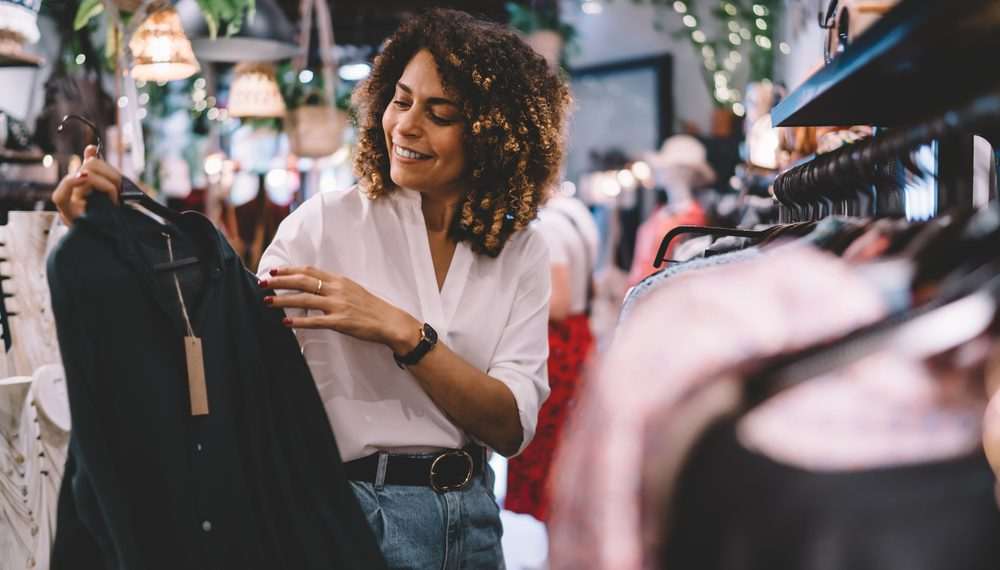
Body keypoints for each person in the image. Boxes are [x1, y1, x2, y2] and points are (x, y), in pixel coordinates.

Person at [52, 8, 570, 569]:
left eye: (439, 113)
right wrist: (128, 224)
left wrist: (401, 332)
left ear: (494, 134)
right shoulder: (326, 224)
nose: (406, 126)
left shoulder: (517, 248)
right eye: (400, 100)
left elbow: (511, 425)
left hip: (474, 524)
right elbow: (227, 328)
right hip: (354, 517)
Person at [505, 192, 598, 522]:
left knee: (546, 451)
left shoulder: (546, 228)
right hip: (579, 333)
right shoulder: (575, 214)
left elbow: (558, 303)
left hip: (557, 344)